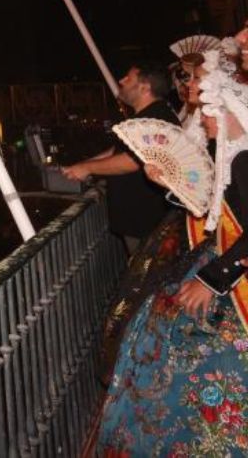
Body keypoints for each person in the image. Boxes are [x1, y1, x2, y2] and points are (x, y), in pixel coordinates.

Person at [95, 49, 248, 454]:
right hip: (221, 260)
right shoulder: (230, 156)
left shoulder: (245, 160)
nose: (205, 119)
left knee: (178, 335)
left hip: (234, 275)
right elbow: (205, 209)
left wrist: (212, 281)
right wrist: (165, 182)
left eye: (212, 110)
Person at [61, 63, 175, 253]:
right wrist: (82, 165)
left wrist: (88, 169)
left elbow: (132, 161)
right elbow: (119, 151)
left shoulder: (154, 119)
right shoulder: (149, 116)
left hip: (145, 221)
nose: (121, 81)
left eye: (128, 78)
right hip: (140, 220)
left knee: (143, 275)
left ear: (145, 87)